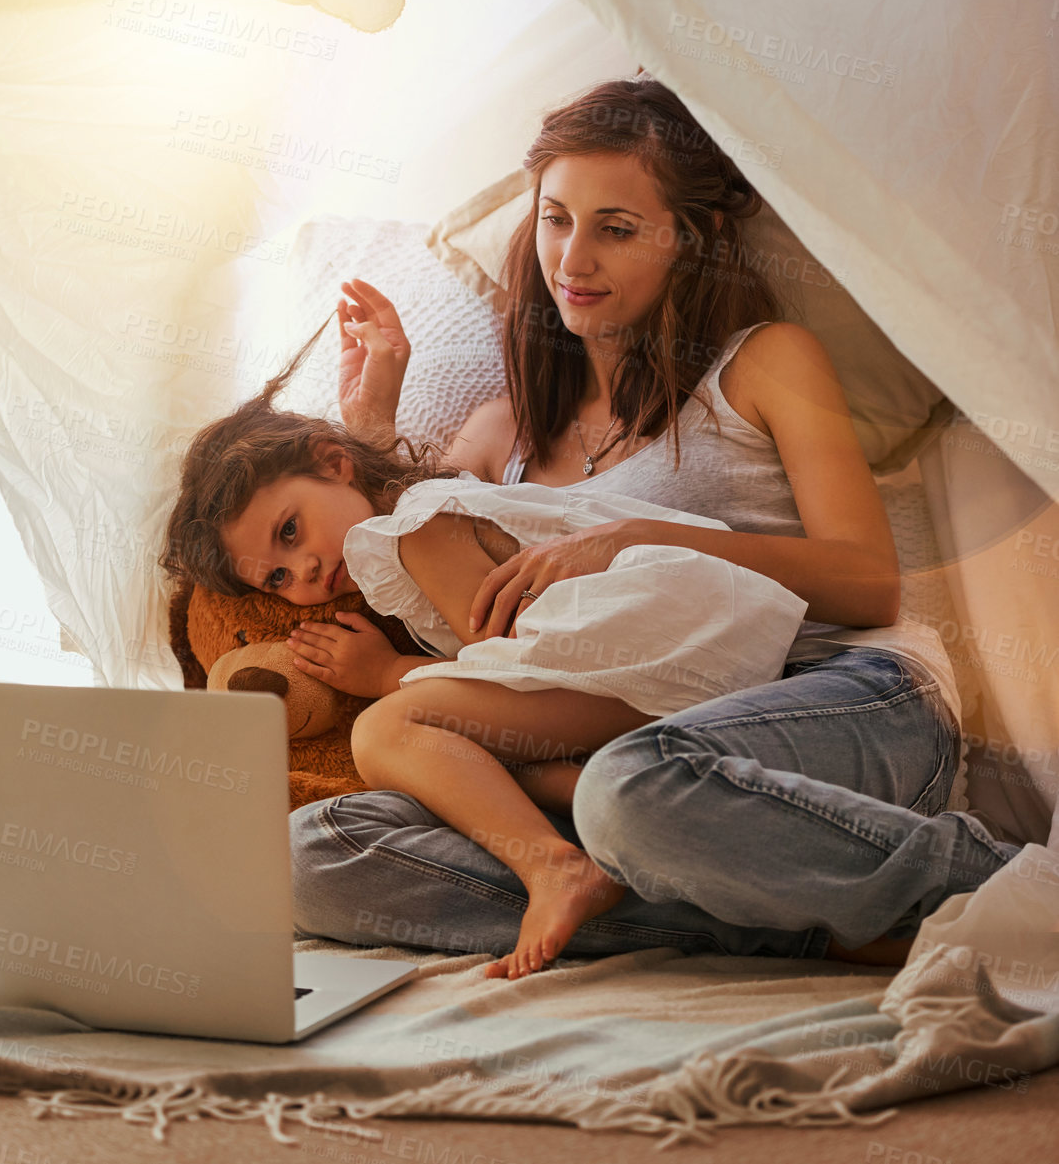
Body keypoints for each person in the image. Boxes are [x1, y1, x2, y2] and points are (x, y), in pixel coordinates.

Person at [280, 72, 1020, 969]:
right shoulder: (501, 430)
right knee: (315, 853)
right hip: (609, 750)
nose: (573, 259)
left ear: (691, 238)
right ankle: (774, 915)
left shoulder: (765, 364)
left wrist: (637, 536)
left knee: (630, 793)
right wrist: (368, 431)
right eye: (556, 219)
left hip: (838, 696)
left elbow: (867, 580)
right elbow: (454, 629)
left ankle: (993, 882)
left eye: (616, 228)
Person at [160, 381, 809, 978]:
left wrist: (387, 673)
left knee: (387, 730)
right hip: (673, 660)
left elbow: (508, 664)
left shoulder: (416, 529)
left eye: (290, 530)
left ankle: (556, 865)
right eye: (275, 577)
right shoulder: (417, 518)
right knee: (471, 757)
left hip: (674, 650)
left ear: (335, 461)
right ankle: (607, 818)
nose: (301, 570)